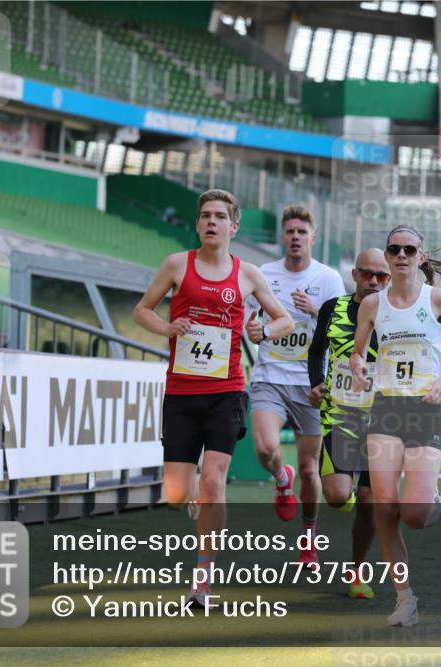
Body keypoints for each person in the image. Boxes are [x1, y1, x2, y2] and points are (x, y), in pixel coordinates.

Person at [133, 189, 292, 606]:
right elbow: (142, 310)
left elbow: (284, 318)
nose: (211, 222)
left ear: (233, 226)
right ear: (198, 223)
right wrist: (167, 328)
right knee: (174, 493)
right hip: (182, 391)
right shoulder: (176, 265)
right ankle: (194, 493)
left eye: (220, 216)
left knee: (214, 482)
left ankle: (202, 580)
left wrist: (263, 332)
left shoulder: (248, 274)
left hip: (226, 390)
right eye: (205, 215)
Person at [350, 225, 441, 627]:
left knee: (416, 514)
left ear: (421, 256)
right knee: (384, 506)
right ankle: (405, 598)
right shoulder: (372, 305)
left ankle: (430, 490)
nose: (401, 255)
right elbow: (357, 353)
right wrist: (357, 370)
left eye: (409, 249)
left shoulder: (437, 299)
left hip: (425, 408)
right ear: (386, 256)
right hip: (386, 409)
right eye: (394, 249)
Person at [247, 204, 346, 569]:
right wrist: (254, 330)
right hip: (270, 377)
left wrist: (317, 311)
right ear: (282, 237)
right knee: (265, 447)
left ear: (313, 238)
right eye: (290, 231)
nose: (295, 237)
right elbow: (251, 323)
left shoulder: (329, 279)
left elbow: (343, 330)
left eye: (302, 232)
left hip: (310, 384)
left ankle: (308, 540)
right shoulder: (262, 274)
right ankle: (279, 477)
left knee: (309, 469)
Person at [307, 249, 391, 600]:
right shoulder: (333, 308)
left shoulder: (396, 315)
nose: (373, 281)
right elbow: (316, 350)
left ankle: (356, 570)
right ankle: (345, 485)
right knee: (339, 496)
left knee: (369, 503)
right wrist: (316, 381)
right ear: (354, 274)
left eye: (381, 276)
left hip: (383, 420)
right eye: (367, 274)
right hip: (340, 415)